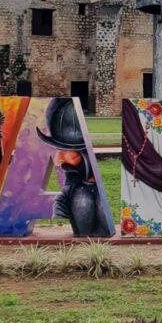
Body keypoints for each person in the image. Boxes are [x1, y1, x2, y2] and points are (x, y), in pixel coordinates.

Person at [38, 98, 112, 237]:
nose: (58, 160)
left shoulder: (86, 191)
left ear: (83, 153)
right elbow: (60, 208)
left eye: (64, 150)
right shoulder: (72, 193)